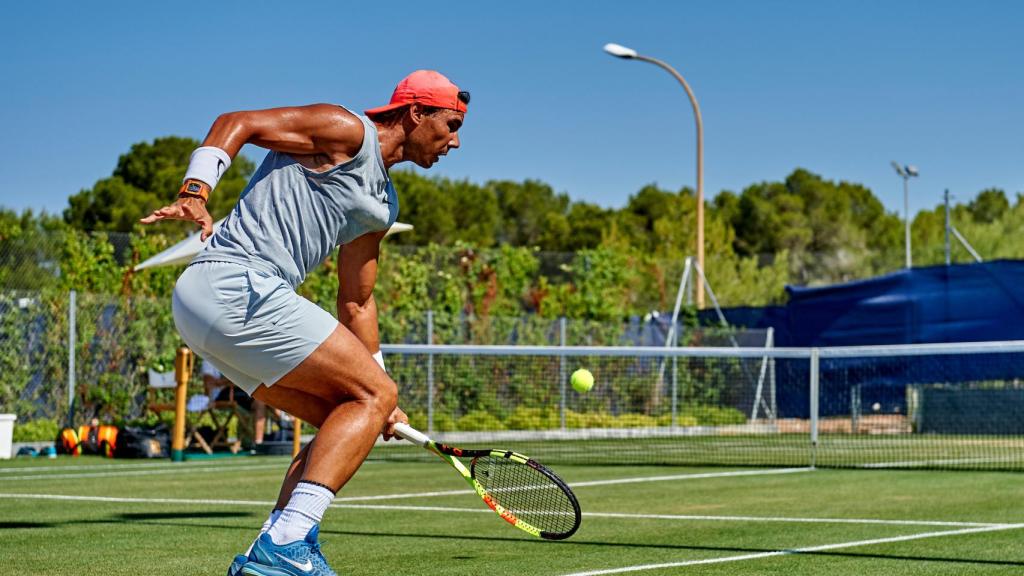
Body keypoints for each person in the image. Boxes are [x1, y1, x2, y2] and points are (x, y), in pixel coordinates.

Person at [141, 70, 468, 576]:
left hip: (210, 308)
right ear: (416, 113)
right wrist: (195, 191)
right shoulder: (347, 131)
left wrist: (380, 391)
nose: (455, 141)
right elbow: (238, 121)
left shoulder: (382, 203)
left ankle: (267, 554)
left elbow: (357, 301)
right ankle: (288, 544)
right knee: (370, 396)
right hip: (234, 283)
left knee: (346, 415)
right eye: (451, 125)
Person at [201, 359, 271, 449]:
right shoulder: (208, 361)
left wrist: (230, 380)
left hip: (237, 392)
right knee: (261, 398)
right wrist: (233, 380)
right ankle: (283, 423)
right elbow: (209, 382)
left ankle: (259, 442)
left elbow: (239, 378)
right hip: (219, 396)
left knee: (261, 401)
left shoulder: (231, 358)